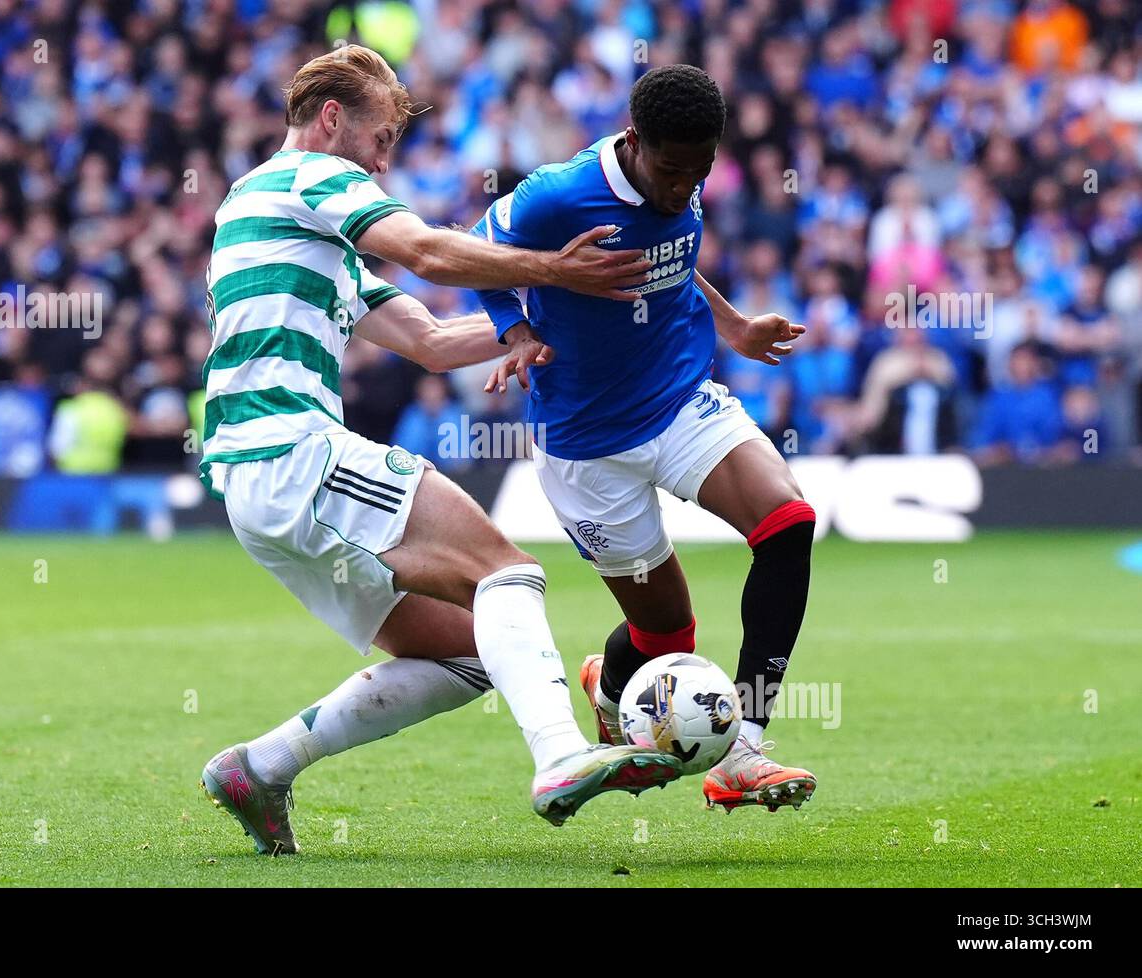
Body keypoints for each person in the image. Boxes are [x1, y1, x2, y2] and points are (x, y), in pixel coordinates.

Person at [198, 45, 681, 855]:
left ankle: (261, 766)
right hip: (295, 452)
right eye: (382, 137)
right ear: (330, 120)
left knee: (473, 653)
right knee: (507, 572)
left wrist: (543, 326)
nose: (386, 160)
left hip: (255, 488)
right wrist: (552, 272)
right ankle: (562, 755)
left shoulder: (273, 211)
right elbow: (425, 250)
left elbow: (426, 338)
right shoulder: (314, 178)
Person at [473, 64, 818, 813]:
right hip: (585, 441)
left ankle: (747, 748)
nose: (683, 184)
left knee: (788, 524)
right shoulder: (558, 196)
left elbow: (675, 260)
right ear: (634, 143)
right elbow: (476, 254)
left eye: (700, 168)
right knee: (666, 633)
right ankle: (611, 678)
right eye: (671, 169)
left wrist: (733, 325)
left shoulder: (682, 171)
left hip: (679, 399)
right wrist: (517, 329)